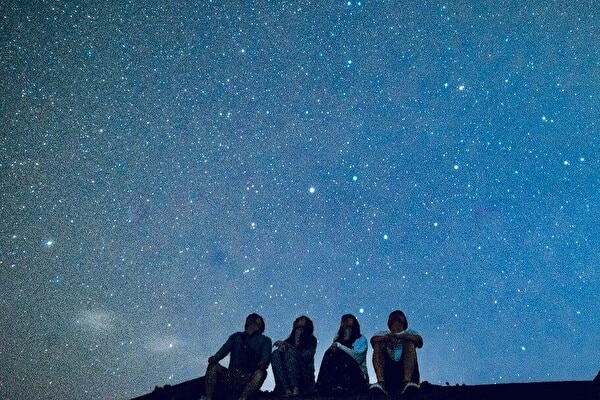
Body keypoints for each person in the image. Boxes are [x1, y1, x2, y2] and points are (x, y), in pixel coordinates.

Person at [204, 313, 272, 400]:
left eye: (253, 319)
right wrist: (215, 358)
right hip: (230, 376)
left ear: (259, 322)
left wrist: (263, 364)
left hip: (248, 379)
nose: (250, 320)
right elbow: (223, 351)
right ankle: (208, 398)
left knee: (260, 374)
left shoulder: (265, 340)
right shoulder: (236, 337)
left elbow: (265, 359)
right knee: (213, 367)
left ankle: (242, 398)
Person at [369, 310, 423, 396]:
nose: (396, 322)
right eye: (393, 319)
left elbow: (419, 341)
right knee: (378, 344)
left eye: (399, 318)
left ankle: (407, 382)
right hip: (389, 376)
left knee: (410, 342)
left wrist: (400, 336)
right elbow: (373, 340)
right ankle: (381, 383)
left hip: (406, 376)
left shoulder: (410, 333)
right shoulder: (383, 334)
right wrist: (388, 337)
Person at [315, 314, 369, 395]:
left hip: (357, 376)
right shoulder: (338, 340)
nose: (346, 322)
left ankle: (342, 386)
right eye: (344, 320)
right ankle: (322, 385)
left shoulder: (361, 339)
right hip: (338, 374)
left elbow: (357, 357)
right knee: (329, 353)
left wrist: (340, 346)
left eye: (349, 320)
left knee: (341, 355)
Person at [271, 316, 318, 396]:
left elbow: (305, 357)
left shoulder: (311, 340)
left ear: (307, 324)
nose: (297, 319)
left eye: (302, 319)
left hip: (304, 377)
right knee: (275, 353)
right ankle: (286, 390)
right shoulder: (288, 341)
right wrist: (281, 350)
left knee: (289, 353)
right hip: (287, 377)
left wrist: (289, 347)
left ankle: (295, 389)